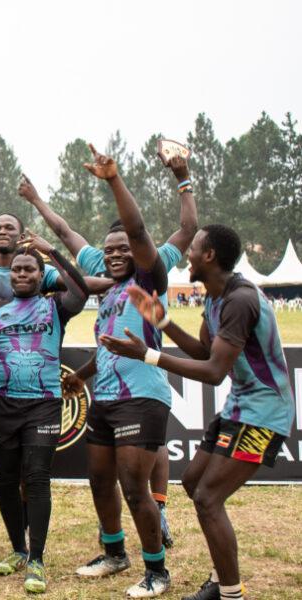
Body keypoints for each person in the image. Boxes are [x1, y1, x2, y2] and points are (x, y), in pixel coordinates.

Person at [25, 146, 197, 597]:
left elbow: (157, 230)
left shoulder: (149, 277)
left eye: (122, 249)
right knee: (98, 478)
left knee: (133, 488)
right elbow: (66, 232)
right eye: (109, 250)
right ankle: (114, 552)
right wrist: (37, 201)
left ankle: (157, 570)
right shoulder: (111, 279)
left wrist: (115, 180)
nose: (115, 255)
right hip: (106, 398)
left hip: (143, 396)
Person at [100, 224, 294, 600]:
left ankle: (230, 592)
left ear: (209, 256)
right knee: (192, 483)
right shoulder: (214, 296)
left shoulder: (240, 299)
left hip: (265, 413)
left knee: (208, 498)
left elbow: (213, 372)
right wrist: (163, 322)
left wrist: (149, 355)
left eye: (193, 249)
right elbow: (204, 353)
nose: (186, 254)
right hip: (240, 407)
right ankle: (225, 577)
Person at [0, 233, 89, 594]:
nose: (21, 273)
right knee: (5, 480)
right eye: (17, 269)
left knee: (35, 478)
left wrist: (52, 253)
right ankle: (18, 549)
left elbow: (81, 291)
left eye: (29, 269)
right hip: (3, 408)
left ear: (40, 274)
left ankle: (36, 558)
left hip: (43, 405)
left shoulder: (55, 307)